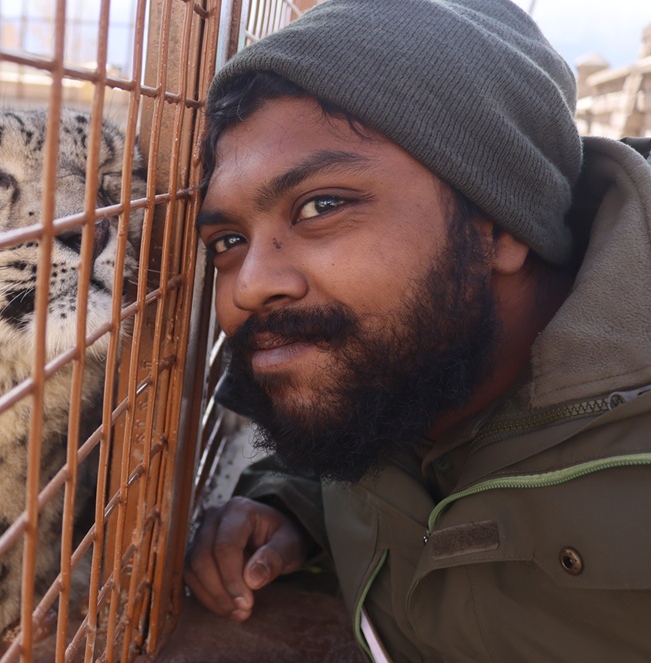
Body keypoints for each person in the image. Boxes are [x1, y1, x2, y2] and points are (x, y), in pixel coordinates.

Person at [183, 0, 651, 660]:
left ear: (499, 223)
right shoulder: (397, 372)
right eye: (229, 238)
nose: (249, 285)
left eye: (321, 206)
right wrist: (293, 506)